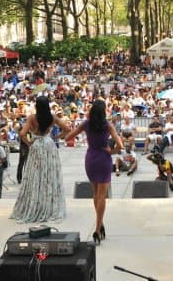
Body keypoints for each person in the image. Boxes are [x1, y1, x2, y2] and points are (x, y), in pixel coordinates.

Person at [63, 99, 121, 244]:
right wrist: (111, 151)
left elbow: (68, 137)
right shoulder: (108, 125)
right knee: (102, 196)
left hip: (91, 158)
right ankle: (98, 228)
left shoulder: (86, 124)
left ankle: (100, 224)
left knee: (95, 194)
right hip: (104, 158)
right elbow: (120, 145)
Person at [11, 97, 72, 224]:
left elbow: (22, 133)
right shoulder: (53, 118)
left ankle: (35, 205)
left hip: (37, 145)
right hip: (49, 145)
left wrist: (29, 143)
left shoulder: (32, 118)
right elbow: (67, 129)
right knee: (49, 176)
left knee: (35, 176)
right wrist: (55, 137)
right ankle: (49, 205)